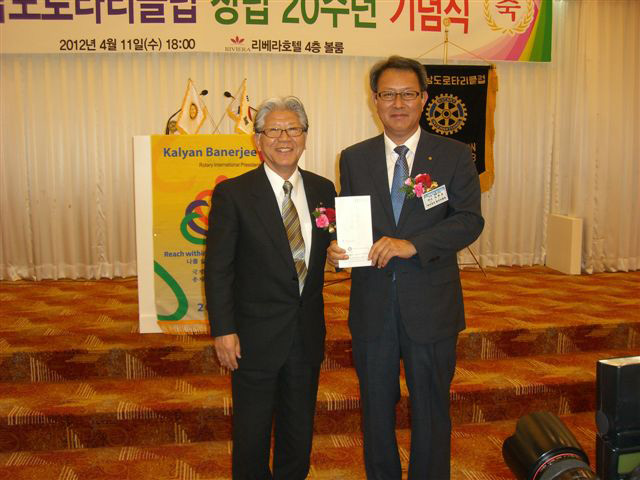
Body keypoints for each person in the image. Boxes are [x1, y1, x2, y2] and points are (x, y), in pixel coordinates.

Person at [327, 56, 484, 479]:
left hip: (431, 305)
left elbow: (469, 220)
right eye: (388, 94)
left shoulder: (453, 155)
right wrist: (336, 248)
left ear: (424, 98)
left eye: (408, 94)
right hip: (373, 305)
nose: (398, 103)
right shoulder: (354, 158)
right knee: (375, 408)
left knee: (431, 407)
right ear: (374, 100)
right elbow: (350, 220)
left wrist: (413, 245)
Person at [205, 96, 336, 479]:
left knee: (299, 430)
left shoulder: (323, 189)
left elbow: (332, 246)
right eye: (273, 130)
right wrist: (224, 330)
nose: (284, 138)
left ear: (305, 136)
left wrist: (340, 254)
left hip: (305, 332)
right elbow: (218, 269)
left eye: (293, 129)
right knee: (252, 433)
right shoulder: (234, 193)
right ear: (257, 140)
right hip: (253, 335)